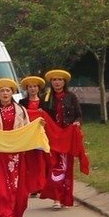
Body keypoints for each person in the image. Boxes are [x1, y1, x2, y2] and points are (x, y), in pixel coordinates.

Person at [0, 78, 32, 217]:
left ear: (12, 92)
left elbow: (28, 129)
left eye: (8, 90)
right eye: (2, 91)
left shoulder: (21, 110)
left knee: (16, 186)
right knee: (1, 186)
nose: (5, 93)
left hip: (17, 153)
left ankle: (12, 216)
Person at [41, 69, 87, 208]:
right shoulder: (46, 98)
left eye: (60, 79)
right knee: (54, 165)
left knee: (66, 167)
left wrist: (77, 123)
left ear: (64, 82)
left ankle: (65, 197)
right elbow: (41, 115)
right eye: (54, 80)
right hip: (52, 137)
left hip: (67, 137)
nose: (57, 82)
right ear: (51, 82)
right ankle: (56, 198)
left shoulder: (71, 96)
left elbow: (79, 115)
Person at [19, 76, 50, 201]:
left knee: (41, 161)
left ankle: (42, 186)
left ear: (38, 88)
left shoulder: (45, 102)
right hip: (28, 136)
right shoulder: (22, 103)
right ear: (27, 89)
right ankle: (31, 188)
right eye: (30, 87)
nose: (33, 89)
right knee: (29, 161)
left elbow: (49, 118)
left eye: (35, 86)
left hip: (40, 134)